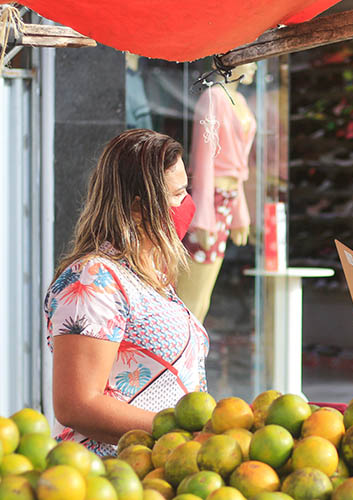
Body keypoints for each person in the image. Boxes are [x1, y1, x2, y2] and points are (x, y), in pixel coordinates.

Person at [44, 129, 209, 456]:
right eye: (177, 196)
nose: (186, 205)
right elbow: (76, 404)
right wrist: (177, 431)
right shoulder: (93, 279)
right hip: (111, 474)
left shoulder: (148, 274)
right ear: (137, 207)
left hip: (160, 467)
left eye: (185, 192)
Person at [176, 62, 257, 322]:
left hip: (226, 199)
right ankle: (183, 351)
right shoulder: (213, 98)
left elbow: (239, 167)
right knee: (193, 292)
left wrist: (239, 211)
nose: (254, 65)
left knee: (205, 290)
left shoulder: (238, 100)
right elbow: (203, 160)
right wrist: (202, 217)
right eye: (248, 57)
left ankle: (191, 351)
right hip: (210, 200)